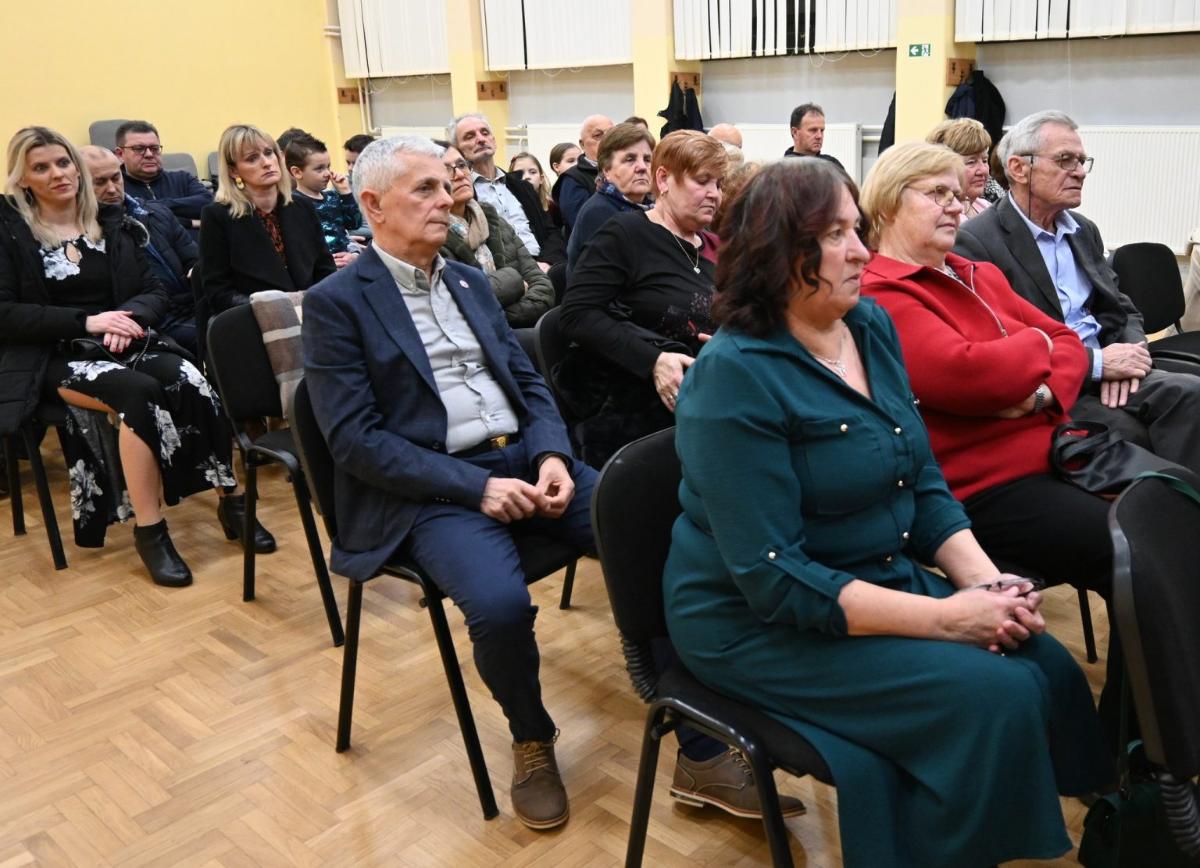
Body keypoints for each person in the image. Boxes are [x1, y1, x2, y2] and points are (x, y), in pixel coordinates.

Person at [664, 156, 1112, 868]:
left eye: (857, 230)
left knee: (1044, 660)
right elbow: (774, 578)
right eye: (835, 235)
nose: (861, 252)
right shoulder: (733, 379)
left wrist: (986, 582)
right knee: (991, 696)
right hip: (754, 620)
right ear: (777, 254)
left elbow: (922, 477)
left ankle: (1103, 823)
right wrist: (949, 619)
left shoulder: (867, 325)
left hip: (867, 571)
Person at [302, 134, 598, 831]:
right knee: (499, 606)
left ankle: (690, 721)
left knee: (652, 534)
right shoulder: (336, 302)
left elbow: (528, 381)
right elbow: (355, 441)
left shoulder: (467, 280)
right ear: (373, 204)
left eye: (448, 183)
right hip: (435, 488)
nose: (448, 198)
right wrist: (476, 489)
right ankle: (531, 737)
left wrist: (552, 456)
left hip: (526, 459)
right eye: (427, 188)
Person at [858, 141, 1131, 738]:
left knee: (1176, 513)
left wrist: (1036, 388)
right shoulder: (882, 292)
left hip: (1059, 453)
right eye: (937, 193)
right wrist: (1036, 345)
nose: (957, 206)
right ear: (887, 203)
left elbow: (1067, 340)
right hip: (984, 489)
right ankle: (1136, 749)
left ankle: (1146, 728)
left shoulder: (976, 272)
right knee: (1141, 550)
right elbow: (970, 375)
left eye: (959, 194)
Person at [0, 126, 272, 586]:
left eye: (63, 163)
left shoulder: (112, 222)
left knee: (193, 378)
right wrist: (89, 322)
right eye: (41, 167)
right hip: (54, 353)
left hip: (125, 338)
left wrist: (127, 319)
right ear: (23, 179)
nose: (57, 174)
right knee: (138, 394)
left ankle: (233, 501)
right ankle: (152, 531)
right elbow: (5, 312)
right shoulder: (9, 231)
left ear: (76, 169)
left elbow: (154, 290)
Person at [954, 110, 1200, 473]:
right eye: (1065, 160)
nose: (1080, 172)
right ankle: (1166, 501)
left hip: (1113, 363)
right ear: (1019, 169)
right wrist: (1096, 366)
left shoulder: (1083, 230)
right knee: (1132, 436)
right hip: (1055, 381)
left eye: (1082, 161)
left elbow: (1121, 308)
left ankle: (1185, 503)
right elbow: (1000, 342)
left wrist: (1132, 355)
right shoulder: (977, 241)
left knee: (1192, 395)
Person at [559, 130, 725, 469]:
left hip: (709, 397)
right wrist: (654, 360)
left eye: (719, 184)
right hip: (635, 405)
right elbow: (577, 314)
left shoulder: (713, 246)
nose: (714, 194)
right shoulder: (624, 234)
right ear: (663, 180)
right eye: (702, 181)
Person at [197, 124, 335, 361]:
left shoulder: (302, 207)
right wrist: (278, 306)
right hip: (253, 327)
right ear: (233, 170)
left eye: (269, 153)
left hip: (313, 318)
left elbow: (326, 271)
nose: (266, 162)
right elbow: (218, 293)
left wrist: (309, 303)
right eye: (252, 158)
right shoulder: (218, 216)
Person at [80, 146, 200, 355]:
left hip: (189, 306)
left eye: (116, 178)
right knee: (230, 335)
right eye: (99, 182)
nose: (112, 189)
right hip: (147, 320)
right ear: (79, 184)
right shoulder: (82, 233)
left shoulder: (157, 213)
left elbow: (194, 257)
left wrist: (198, 267)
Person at [436, 142, 554, 327]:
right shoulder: (433, 235)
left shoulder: (493, 220)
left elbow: (542, 287)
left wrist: (501, 314)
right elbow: (463, 302)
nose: (459, 174)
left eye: (461, 165)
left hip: (512, 327)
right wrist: (514, 282)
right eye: (447, 169)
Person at [447, 113, 540, 257]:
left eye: (485, 133)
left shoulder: (522, 186)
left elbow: (550, 232)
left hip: (544, 261)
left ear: (494, 141)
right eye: (470, 136)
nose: (481, 139)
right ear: (457, 150)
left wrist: (549, 262)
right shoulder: (463, 194)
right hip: (505, 265)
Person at [565, 123, 655, 270]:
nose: (642, 167)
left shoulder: (651, 209)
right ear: (607, 170)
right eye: (630, 159)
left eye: (647, 159)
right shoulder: (599, 213)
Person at [114, 120, 212, 236]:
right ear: (120, 154)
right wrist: (190, 222)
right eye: (139, 149)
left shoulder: (182, 179)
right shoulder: (115, 188)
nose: (149, 154)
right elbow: (132, 223)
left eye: (154, 148)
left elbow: (208, 204)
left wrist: (147, 206)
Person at [283, 132, 362, 267]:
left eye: (328, 167)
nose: (327, 173)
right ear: (297, 172)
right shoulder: (293, 203)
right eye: (319, 169)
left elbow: (354, 224)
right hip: (321, 269)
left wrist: (345, 193)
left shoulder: (332, 196)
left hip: (347, 264)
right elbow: (298, 245)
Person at [925, 118, 993, 219]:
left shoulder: (986, 208)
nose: (982, 170)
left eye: (984, 160)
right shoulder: (941, 216)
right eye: (971, 162)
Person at [555, 115, 612, 233]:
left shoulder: (626, 170)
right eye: (598, 135)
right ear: (582, 144)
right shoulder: (572, 179)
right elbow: (584, 225)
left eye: (611, 134)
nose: (607, 140)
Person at [783, 103, 844, 169]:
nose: (819, 136)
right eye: (813, 130)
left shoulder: (832, 164)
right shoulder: (784, 169)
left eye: (822, 130)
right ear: (795, 132)